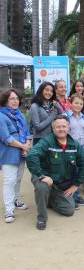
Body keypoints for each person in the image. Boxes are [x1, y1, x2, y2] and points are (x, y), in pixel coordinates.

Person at [26, 115, 84, 230]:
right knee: (42, 188)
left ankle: (50, 199)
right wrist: (41, 175)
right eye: (58, 127)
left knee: (69, 210)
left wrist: (76, 185)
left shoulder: (75, 145)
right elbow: (31, 155)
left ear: (68, 128)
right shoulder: (47, 141)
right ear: (53, 129)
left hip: (61, 184)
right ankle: (42, 218)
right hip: (45, 179)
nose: (61, 129)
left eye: (64, 126)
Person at [0, 88, 32, 223]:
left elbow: (27, 132)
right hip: (9, 154)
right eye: (12, 98)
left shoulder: (20, 115)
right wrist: (23, 146)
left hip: (22, 153)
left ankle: (16, 200)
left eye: (17, 99)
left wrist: (27, 145)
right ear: (5, 100)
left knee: (18, 178)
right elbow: (6, 138)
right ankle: (9, 209)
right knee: (9, 181)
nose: (15, 101)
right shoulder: (1, 116)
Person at [64, 94, 84, 207]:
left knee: (79, 173)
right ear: (71, 103)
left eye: (81, 103)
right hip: (68, 150)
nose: (78, 105)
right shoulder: (65, 116)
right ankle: (70, 198)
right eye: (76, 103)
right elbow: (61, 133)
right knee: (70, 173)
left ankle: (76, 195)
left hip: (81, 150)